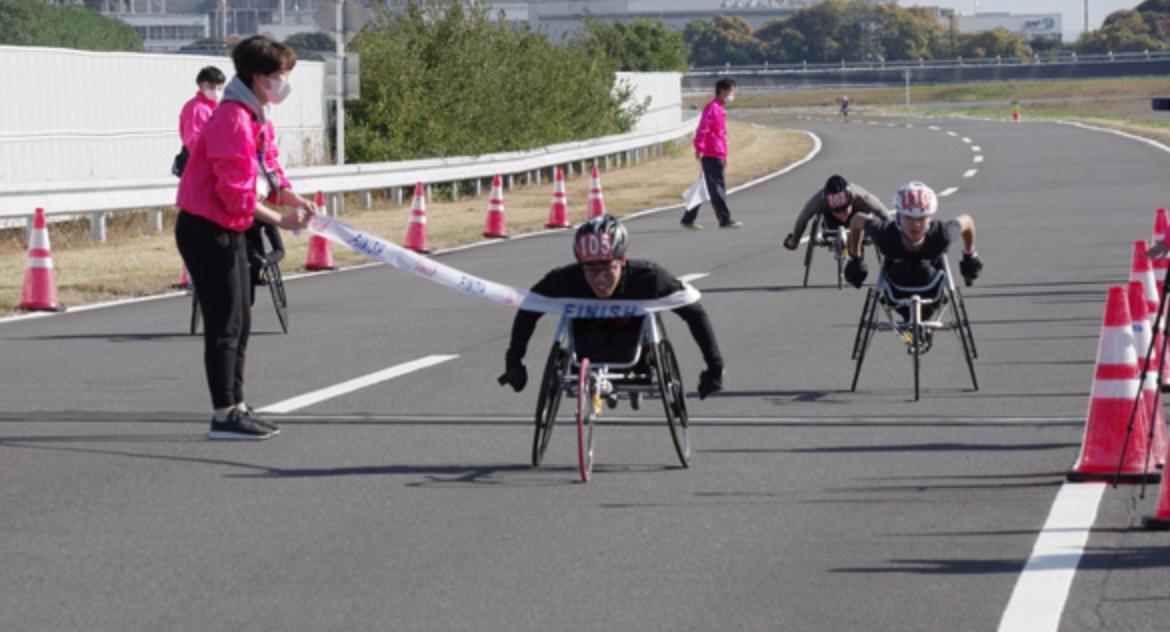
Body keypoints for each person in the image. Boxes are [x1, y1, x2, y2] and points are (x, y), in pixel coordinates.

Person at [175, 35, 316, 440]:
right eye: (279, 77)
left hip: (232, 226)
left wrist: (293, 198)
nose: (284, 85)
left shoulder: (256, 116)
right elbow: (234, 191)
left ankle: (237, 402)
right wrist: (280, 220)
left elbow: (269, 171)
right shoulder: (232, 119)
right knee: (224, 321)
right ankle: (223, 412)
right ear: (258, 77)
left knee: (242, 317)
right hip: (206, 227)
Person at [498, 215, 725, 401]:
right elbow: (529, 308)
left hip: (634, 354)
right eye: (591, 271)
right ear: (580, 266)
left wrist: (714, 368)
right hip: (586, 350)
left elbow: (694, 312)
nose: (600, 280)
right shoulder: (565, 279)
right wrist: (514, 361)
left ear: (623, 260)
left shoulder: (649, 278)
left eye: (608, 269)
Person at [844, 181, 982, 348]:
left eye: (921, 218)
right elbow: (857, 221)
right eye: (909, 217)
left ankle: (920, 326)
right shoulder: (885, 234)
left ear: (929, 219)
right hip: (896, 294)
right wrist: (855, 259)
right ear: (898, 217)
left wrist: (970, 257)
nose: (915, 224)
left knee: (924, 269)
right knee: (903, 268)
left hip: (932, 294)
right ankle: (911, 326)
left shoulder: (941, 234)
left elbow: (967, 221)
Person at [681, 78, 743, 231]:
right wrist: (699, 147)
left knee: (704, 188)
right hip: (712, 154)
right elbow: (703, 129)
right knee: (717, 188)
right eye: (731, 92)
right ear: (722, 92)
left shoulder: (719, 108)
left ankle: (688, 218)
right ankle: (725, 219)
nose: (732, 95)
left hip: (718, 153)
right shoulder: (713, 108)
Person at [783, 174, 892, 252]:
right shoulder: (818, 201)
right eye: (837, 211)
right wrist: (794, 240)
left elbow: (884, 213)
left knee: (868, 218)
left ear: (850, 200)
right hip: (832, 223)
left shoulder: (861, 197)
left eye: (845, 209)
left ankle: (856, 255)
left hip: (858, 219)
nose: (842, 214)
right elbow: (803, 218)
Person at [173, 66, 226, 177]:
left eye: (220, 88)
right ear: (201, 85)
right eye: (212, 87)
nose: (216, 91)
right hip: (202, 165)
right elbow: (193, 139)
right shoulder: (197, 108)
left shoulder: (214, 106)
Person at [245, 221, 285, 305]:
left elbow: (280, 250)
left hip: (255, 258)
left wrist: (266, 261)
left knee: (247, 302)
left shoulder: (263, 218)